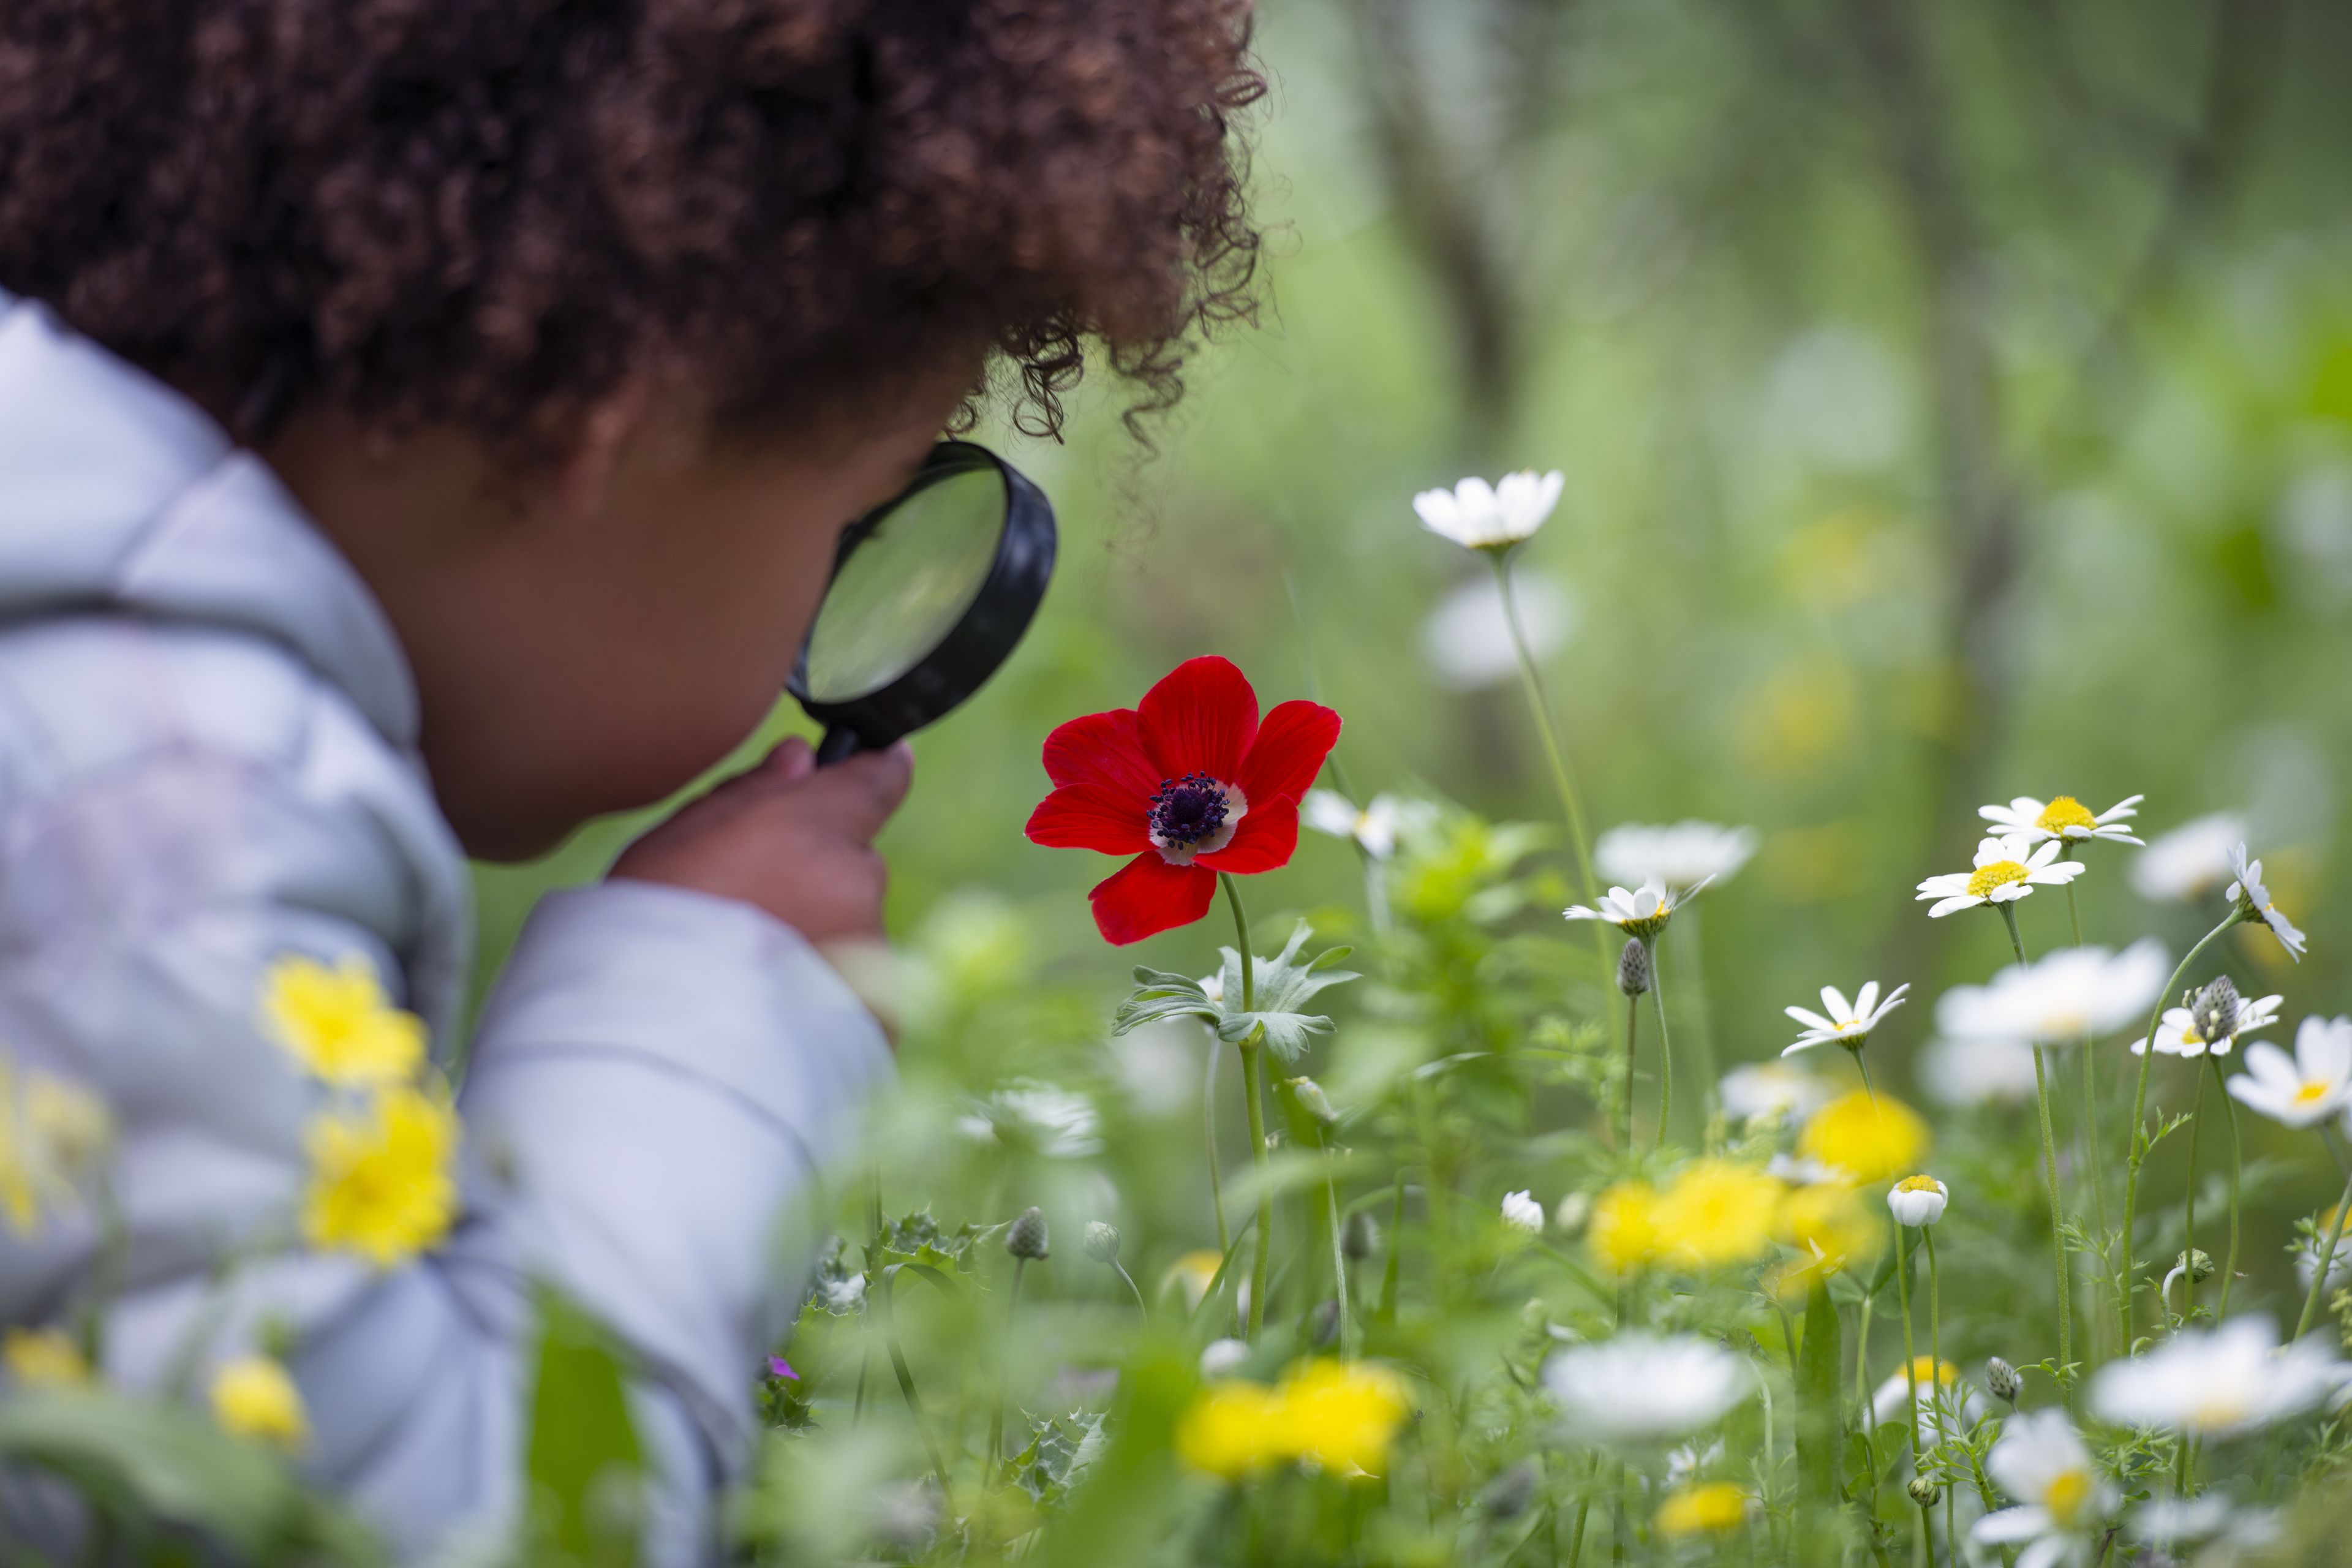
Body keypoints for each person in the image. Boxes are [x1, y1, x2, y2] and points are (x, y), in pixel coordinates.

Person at [0, 1, 1261, 1559]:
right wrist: (685, 1008)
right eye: (852, 522)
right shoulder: (163, 802)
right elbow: (420, 1526)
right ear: (617, 402)